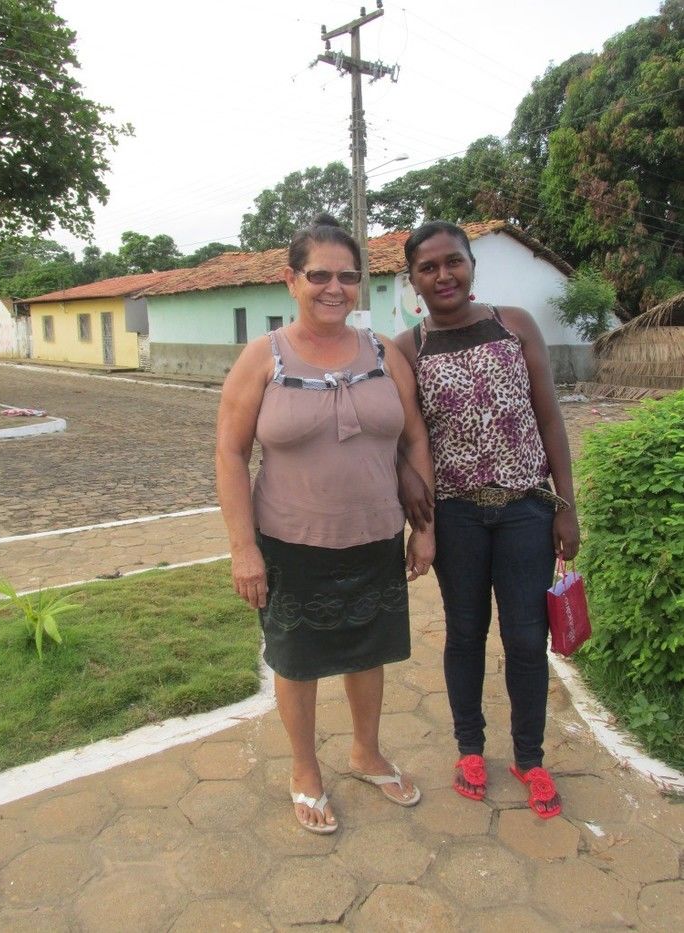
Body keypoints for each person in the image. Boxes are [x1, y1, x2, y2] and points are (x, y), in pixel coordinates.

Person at [216, 214, 435, 834]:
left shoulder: (384, 353)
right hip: (290, 544)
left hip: (374, 536)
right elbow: (229, 452)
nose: (334, 288)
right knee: (298, 660)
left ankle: (366, 753)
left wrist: (424, 527)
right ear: (291, 280)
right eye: (319, 276)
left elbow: (415, 438)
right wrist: (243, 549)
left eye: (347, 276)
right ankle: (305, 769)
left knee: (368, 652)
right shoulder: (263, 357)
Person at [395, 220, 580, 820]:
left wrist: (566, 506)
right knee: (466, 633)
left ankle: (530, 758)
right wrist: (408, 487)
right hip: (456, 516)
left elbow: (549, 418)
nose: (443, 275)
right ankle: (470, 749)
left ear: (472, 264)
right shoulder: (407, 349)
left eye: (453, 261)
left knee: (526, 637)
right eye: (428, 268)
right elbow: (400, 432)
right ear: (414, 280)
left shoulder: (514, 324)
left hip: (526, 508)